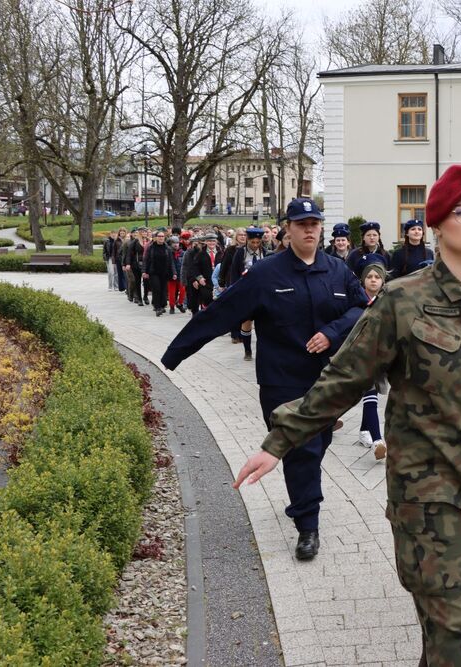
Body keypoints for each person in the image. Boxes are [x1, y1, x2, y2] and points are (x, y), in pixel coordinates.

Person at [231, 165, 461, 666]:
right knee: (460, 639)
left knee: (454, 625)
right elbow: (343, 380)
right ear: (437, 224)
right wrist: (279, 442)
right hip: (427, 499)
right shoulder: (402, 301)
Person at [162, 197, 367, 561]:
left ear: (321, 228)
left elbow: (362, 307)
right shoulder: (266, 274)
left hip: (327, 381)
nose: (309, 230)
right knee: (302, 450)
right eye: (301, 224)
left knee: (316, 445)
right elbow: (221, 313)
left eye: (314, 224)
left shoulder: (337, 271)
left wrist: (332, 332)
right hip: (281, 381)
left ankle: (302, 495)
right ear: (288, 229)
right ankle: (307, 525)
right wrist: (174, 355)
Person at [356, 253, 389, 460]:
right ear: (363, 280)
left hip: (381, 355)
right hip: (360, 355)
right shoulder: (356, 301)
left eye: (377, 277)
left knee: (371, 393)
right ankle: (378, 441)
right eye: (369, 277)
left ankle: (363, 431)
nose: (373, 280)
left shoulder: (388, 301)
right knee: (370, 393)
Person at [229, 227, 273, 360]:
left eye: (257, 242)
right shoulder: (240, 253)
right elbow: (234, 273)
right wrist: (235, 291)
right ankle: (247, 351)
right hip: (245, 292)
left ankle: (263, 351)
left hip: (262, 293)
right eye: (252, 242)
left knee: (263, 324)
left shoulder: (265, 253)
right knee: (246, 322)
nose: (255, 245)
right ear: (248, 240)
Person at [142, 229, 174, 316]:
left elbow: (171, 262)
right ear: (155, 238)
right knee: (156, 289)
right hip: (153, 272)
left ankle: (162, 305)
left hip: (164, 272)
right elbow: (146, 260)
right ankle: (157, 307)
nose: (161, 238)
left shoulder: (167, 248)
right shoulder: (151, 248)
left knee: (163, 290)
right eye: (159, 236)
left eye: (162, 236)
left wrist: (173, 272)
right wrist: (144, 271)